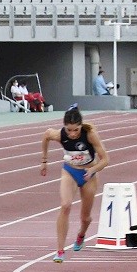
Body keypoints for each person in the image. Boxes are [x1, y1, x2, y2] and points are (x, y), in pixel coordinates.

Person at [40, 105, 109, 262]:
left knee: (85, 218)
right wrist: (44, 161)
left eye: (75, 130)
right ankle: (60, 250)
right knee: (65, 205)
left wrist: (92, 170)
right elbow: (46, 135)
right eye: (69, 130)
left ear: (81, 126)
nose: (72, 134)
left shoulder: (90, 135)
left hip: (88, 175)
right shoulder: (59, 134)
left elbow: (105, 159)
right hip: (70, 171)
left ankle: (81, 234)